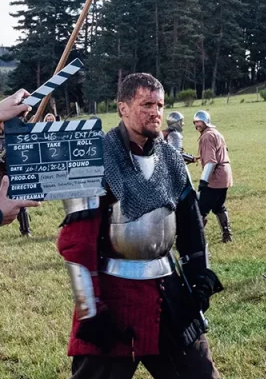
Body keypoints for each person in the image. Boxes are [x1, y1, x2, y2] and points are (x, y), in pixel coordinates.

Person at [57, 73, 222, 379]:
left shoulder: (171, 160)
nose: (155, 112)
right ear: (123, 108)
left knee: (199, 373)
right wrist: (90, 310)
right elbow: (76, 244)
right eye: (146, 104)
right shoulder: (94, 159)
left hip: (167, 290)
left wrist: (200, 275)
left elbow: (191, 224)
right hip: (114, 295)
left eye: (159, 104)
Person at [0, 89, 41, 226]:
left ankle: (25, 229)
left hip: (14, 170)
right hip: (2, 171)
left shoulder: (15, 135)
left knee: (21, 203)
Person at [193, 110, 233, 243]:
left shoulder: (207, 136)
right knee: (218, 206)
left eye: (199, 122)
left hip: (215, 177)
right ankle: (227, 234)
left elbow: (211, 161)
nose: (196, 125)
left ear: (205, 122)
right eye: (195, 123)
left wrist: (203, 181)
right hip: (225, 175)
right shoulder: (216, 133)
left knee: (200, 209)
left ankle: (196, 239)